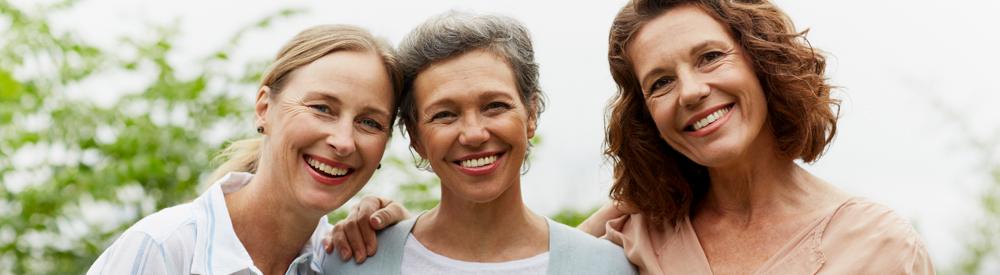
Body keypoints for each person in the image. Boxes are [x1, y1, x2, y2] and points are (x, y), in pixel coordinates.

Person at [327, 0, 935, 274]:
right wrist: (390, 232)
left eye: (711, 58)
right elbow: (508, 252)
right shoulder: (638, 230)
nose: (692, 91)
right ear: (647, 112)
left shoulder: (875, 245)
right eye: (660, 81)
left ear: (763, 64)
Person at [321, 10, 636, 275]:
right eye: (445, 114)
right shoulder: (352, 263)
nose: (473, 134)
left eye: (495, 106)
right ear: (415, 138)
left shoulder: (608, 267)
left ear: (531, 114)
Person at [86, 24, 403, 275]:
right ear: (264, 109)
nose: (344, 141)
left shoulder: (350, 263)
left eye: (370, 123)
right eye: (322, 108)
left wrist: (407, 245)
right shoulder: (163, 250)